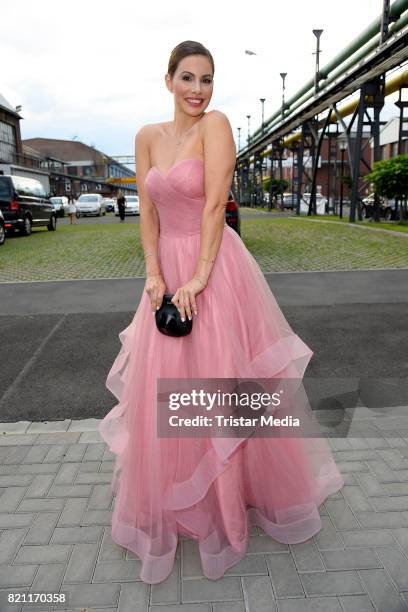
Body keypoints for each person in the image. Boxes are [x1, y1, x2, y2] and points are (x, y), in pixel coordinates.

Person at [99, 40, 344, 585]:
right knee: (167, 386)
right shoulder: (146, 137)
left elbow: (214, 204)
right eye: (187, 78)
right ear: (168, 81)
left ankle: (232, 506)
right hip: (167, 275)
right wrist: (154, 273)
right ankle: (180, 496)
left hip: (215, 268)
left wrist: (199, 278)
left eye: (207, 79)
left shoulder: (217, 125)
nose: (198, 90)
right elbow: (148, 213)